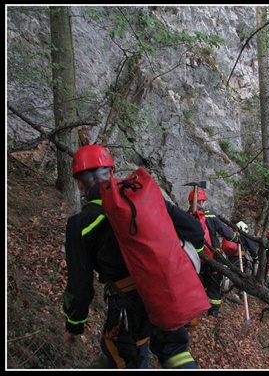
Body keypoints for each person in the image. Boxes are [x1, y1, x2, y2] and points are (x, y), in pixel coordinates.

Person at [62, 144, 206, 369]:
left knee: (127, 359)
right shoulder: (145, 199)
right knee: (176, 353)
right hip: (166, 290)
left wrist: (74, 325)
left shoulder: (79, 224)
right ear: (111, 173)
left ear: (80, 184)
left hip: (126, 305)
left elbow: (79, 289)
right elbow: (196, 233)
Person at [188, 188, 238, 318]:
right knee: (214, 284)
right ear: (202, 201)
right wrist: (235, 238)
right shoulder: (210, 214)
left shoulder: (184, 215)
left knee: (194, 282)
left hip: (193, 258)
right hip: (213, 256)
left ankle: (195, 310)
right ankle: (213, 311)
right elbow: (226, 232)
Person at [221, 221, 259, 302]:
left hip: (231, 259)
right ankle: (241, 293)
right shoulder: (244, 236)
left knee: (229, 274)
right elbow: (252, 248)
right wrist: (255, 258)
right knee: (242, 276)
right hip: (241, 259)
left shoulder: (231, 234)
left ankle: (224, 291)